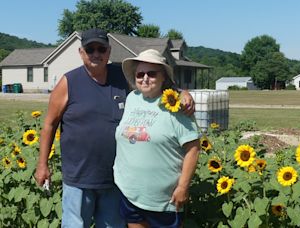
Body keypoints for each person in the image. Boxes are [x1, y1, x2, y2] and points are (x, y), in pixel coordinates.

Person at [34, 28, 195, 228]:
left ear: (109, 52)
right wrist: (42, 165)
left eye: (101, 49)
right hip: (78, 177)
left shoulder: (122, 77)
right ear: (81, 52)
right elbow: (49, 124)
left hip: (114, 181)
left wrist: (182, 92)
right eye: (90, 49)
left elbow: (153, 84)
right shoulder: (69, 82)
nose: (96, 54)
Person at [114, 49, 200, 228]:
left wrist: (183, 187)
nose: (145, 78)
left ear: (163, 77)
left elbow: (193, 149)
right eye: (140, 74)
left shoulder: (176, 105)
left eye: (151, 74)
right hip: (129, 191)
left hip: (164, 198)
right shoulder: (132, 99)